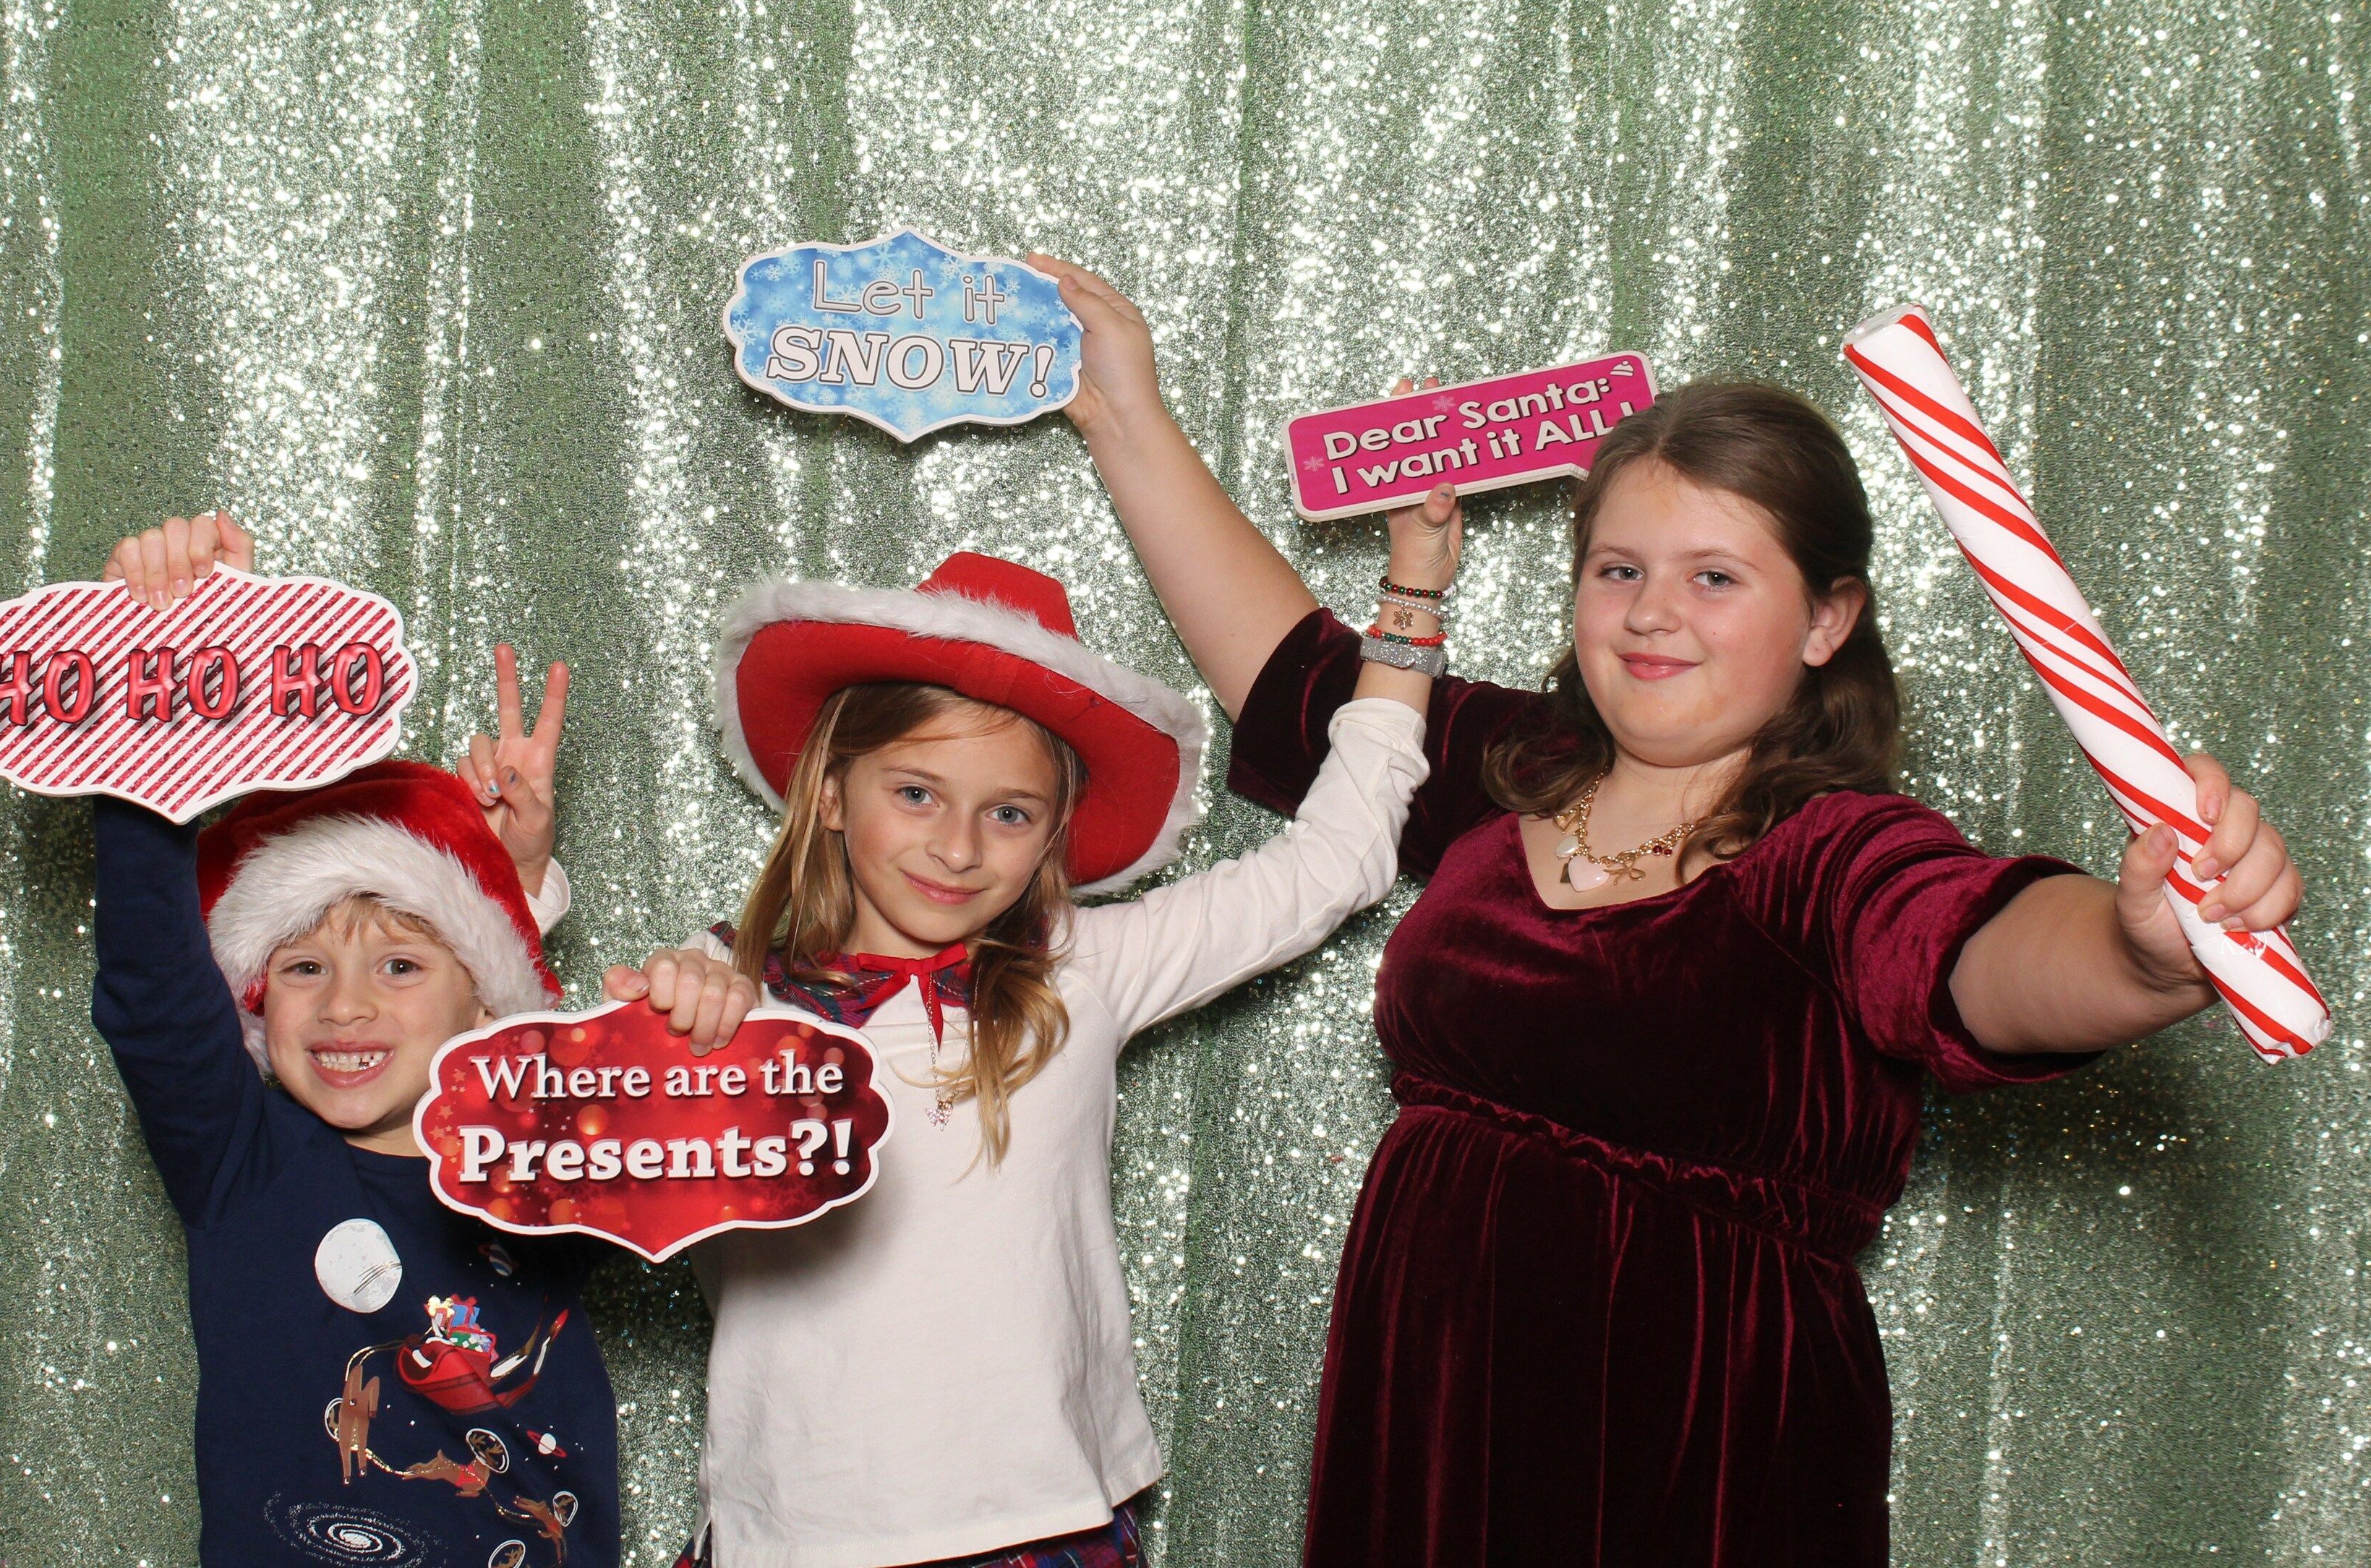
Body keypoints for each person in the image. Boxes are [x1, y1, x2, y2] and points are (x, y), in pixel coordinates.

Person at [1039, 258, 2304, 1567]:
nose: (1651, 614)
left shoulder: (1835, 852)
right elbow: (1295, 684)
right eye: (1618, 568)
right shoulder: (1515, 769)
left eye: (1715, 579)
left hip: (1694, 1461)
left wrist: (2137, 951)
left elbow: (1975, 955)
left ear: (1827, 620)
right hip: (1432, 1426)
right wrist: (1124, 412)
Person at [655, 549, 1432, 1568]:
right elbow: (510, 1146)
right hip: (795, 1537)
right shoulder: (719, 991)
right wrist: (535, 899)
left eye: (1009, 813)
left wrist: (1414, 598)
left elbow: (1337, 860)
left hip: (1043, 1521)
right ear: (832, 790)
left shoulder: (1084, 965)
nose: (959, 848)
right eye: (918, 793)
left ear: (1055, 834)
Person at [84, 513, 754, 1568]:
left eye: (398, 968)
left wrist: (703, 1012)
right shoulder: (240, 1161)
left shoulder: (546, 1162)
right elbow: (152, 990)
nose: (344, 1008)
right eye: (303, 970)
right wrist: (158, 701)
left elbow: (702, 1118)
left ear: (483, 1003)